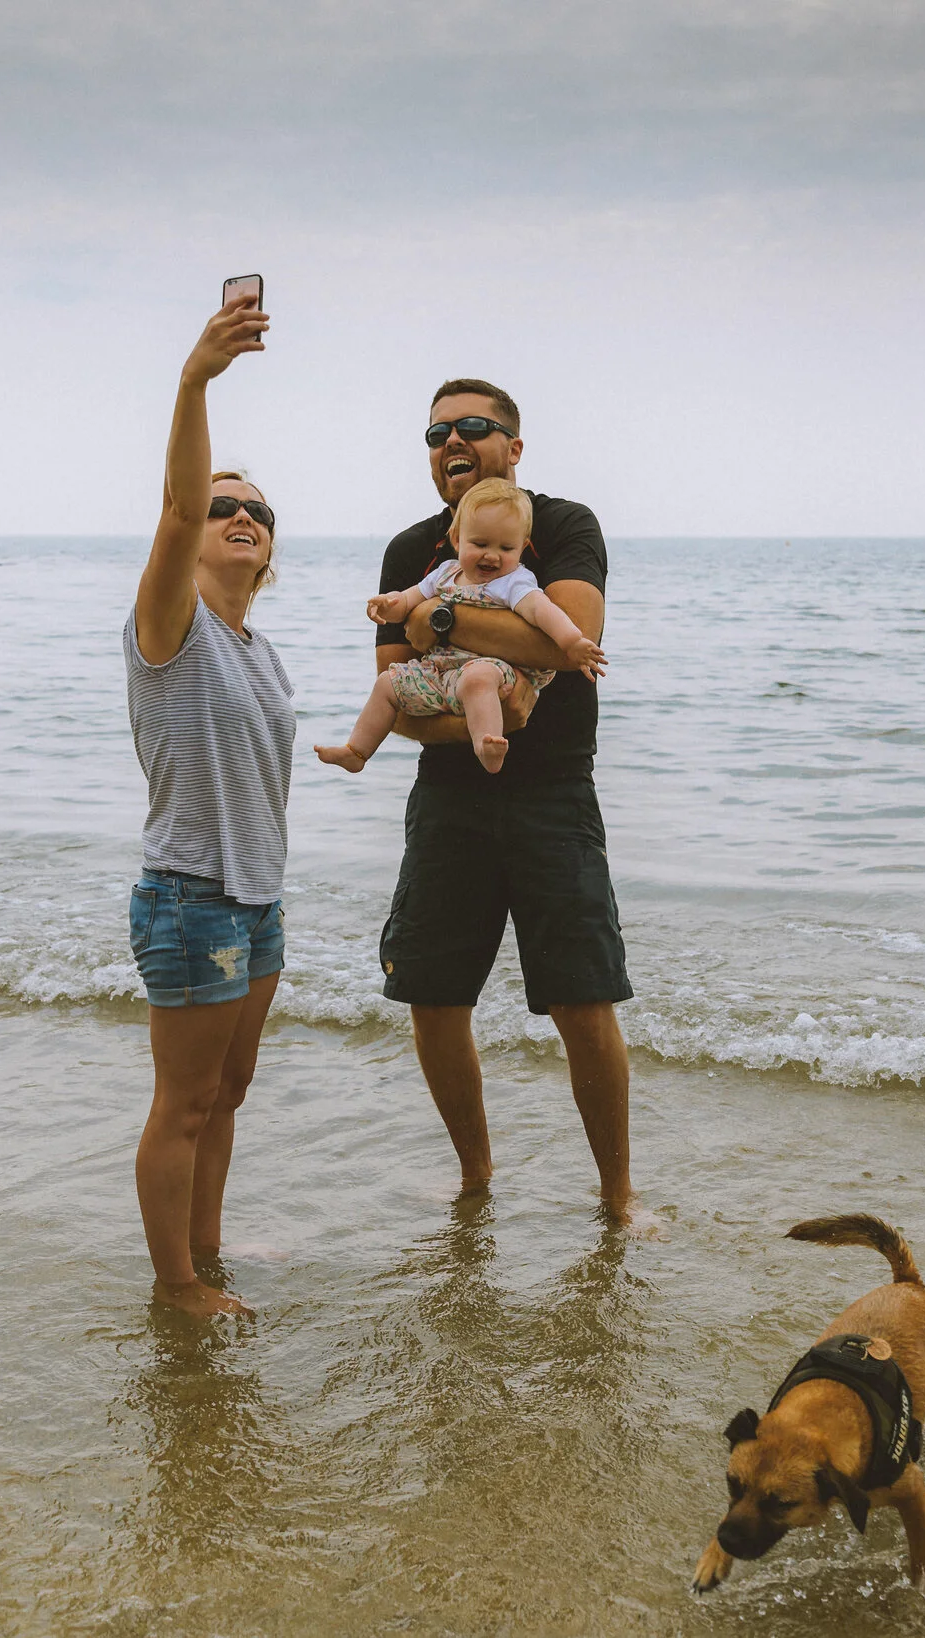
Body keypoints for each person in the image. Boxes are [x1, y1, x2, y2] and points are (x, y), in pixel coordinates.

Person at [372, 380, 639, 1221]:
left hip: (554, 790)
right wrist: (478, 724)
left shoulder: (563, 527)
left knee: (582, 994)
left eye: (474, 428)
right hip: (448, 793)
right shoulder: (409, 547)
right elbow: (392, 691)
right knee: (434, 992)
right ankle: (476, 1180)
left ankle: (618, 1197)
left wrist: (442, 624)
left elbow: (567, 640)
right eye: (436, 432)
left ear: (513, 449)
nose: (451, 441)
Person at [122, 290, 287, 1316]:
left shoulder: (258, 649)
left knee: (228, 1094)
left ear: (271, 548)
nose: (236, 516)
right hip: (190, 898)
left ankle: (207, 1249)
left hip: (257, 901)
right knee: (183, 1104)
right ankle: (176, 1284)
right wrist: (196, 378)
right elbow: (179, 508)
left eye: (256, 511)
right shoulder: (167, 627)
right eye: (224, 506)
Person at [317, 477, 605, 775]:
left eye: (506, 547)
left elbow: (542, 611)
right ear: (457, 540)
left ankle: (486, 745)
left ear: (523, 549)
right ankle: (357, 751)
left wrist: (572, 641)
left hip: (492, 670)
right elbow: (408, 600)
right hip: (441, 675)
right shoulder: (444, 574)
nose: (491, 555)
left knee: (477, 680)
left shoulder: (514, 582)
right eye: (479, 544)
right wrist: (388, 605)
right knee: (386, 684)